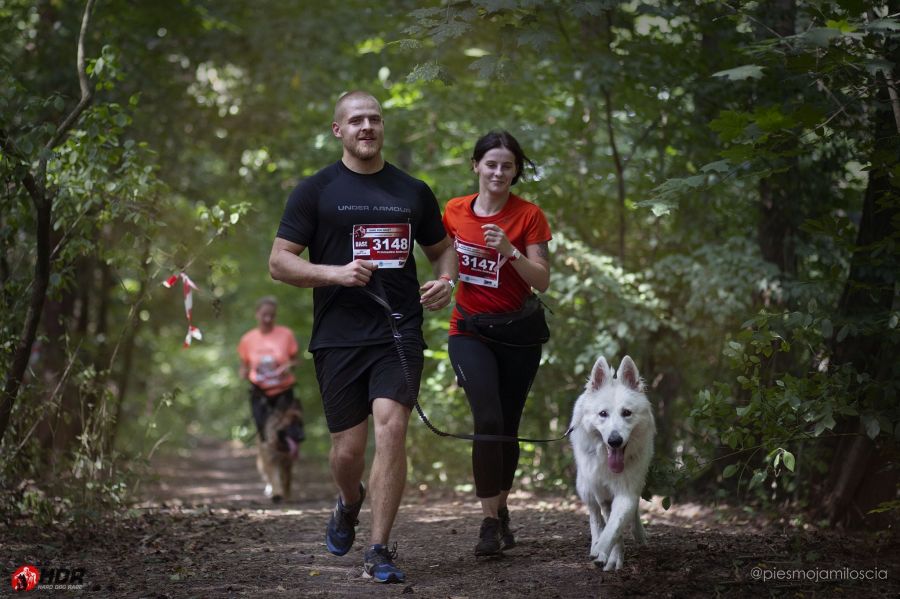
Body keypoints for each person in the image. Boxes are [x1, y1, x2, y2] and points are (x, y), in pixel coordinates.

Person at [268, 91, 457, 583]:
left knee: (392, 428)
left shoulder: (412, 190)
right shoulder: (315, 190)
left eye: (374, 119)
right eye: (356, 120)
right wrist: (335, 273)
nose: (367, 127)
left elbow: (443, 249)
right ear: (339, 130)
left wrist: (446, 280)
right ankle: (349, 500)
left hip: (398, 331)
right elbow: (279, 262)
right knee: (347, 451)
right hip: (338, 337)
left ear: (383, 126)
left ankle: (379, 548)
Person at [442, 130, 552, 557]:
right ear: (476, 165)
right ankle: (488, 523)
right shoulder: (454, 210)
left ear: (516, 171)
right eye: (491, 164)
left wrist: (511, 251)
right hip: (468, 329)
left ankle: (501, 509)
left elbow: (542, 279)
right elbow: (446, 259)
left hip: (517, 335)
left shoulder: (529, 215)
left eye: (507, 166)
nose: (498, 172)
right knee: (487, 419)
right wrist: (443, 282)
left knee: (507, 426)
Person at [237, 295, 302, 449]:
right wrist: (243, 373)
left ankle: (289, 456)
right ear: (257, 314)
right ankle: (269, 460)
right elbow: (244, 365)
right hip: (259, 393)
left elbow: (296, 360)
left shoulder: (286, 334)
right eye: (264, 314)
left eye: (272, 315)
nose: (268, 319)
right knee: (265, 434)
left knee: (287, 433)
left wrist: (288, 366)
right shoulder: (247, 339)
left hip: (283, 391)